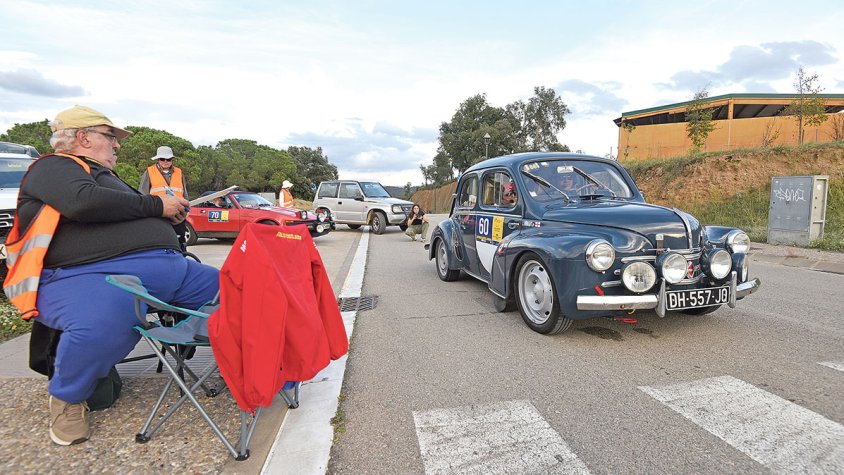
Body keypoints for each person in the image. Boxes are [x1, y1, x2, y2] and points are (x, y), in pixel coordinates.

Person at [4, 105, 219, 446]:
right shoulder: (53, 166)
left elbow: (123, 212)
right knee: (104, 319)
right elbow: (83, 203)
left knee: (245, 290)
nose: (117, 145)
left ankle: (259, 366)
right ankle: (67, 396)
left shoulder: (109, 179)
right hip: (94, 275)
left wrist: (169, 219)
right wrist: (155, 206)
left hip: (175, 271)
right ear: (82, 137)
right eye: (111, 136)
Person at [139, 145, 190, 250]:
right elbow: (142, 195)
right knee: (159, 245)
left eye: (168, 159)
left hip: (178, 217)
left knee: (179, 244)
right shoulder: (149, 172)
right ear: (158, 159)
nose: (165, 161)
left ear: (172, 159)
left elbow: (184, 194)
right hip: (158, 216)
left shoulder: (179, 172)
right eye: (162, 159)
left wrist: (186, 209)